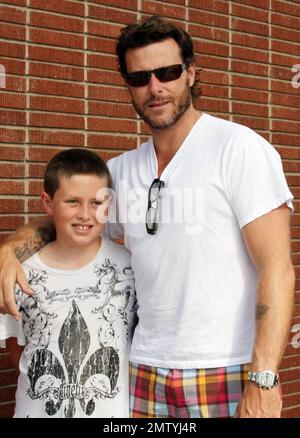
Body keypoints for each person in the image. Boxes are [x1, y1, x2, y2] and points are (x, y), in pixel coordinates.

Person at [0, 16, 295, 418]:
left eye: (168, 72)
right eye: (140, 77)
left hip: (224, 366)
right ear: (129, 88)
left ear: (190, 73)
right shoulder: (120, 171)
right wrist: (10, 251)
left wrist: (264, 378)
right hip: (143, 371)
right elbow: (68, 224)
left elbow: (277, 268)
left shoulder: (238, 149)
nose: (155, 87)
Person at [0, 148, 136, 418]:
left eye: (96, 203)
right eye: (72, 201)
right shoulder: (19, 274)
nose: (85, 214)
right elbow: (19, 350)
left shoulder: (130, 268)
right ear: (48, 203)